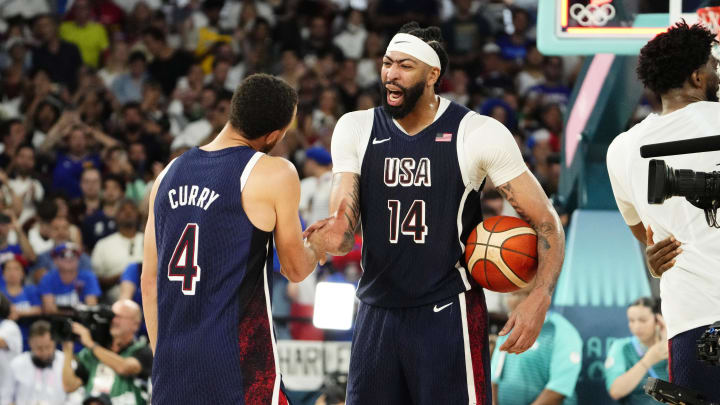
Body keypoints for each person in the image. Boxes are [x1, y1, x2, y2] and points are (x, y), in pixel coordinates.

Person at [303, 22, 565, 404]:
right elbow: (344, 227)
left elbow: (547, 223)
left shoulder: (477, 133)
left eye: (405, 65)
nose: (391, 73)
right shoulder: (355, 127)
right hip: (376, 311)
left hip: (448, 312)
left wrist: (539, 298)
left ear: (433, 75)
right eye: (387, 63)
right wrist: (324, 238)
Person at [141, 73, 335, 404]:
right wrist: (318, 247)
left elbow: (149, 279)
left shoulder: (167, 175)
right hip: (239, 367)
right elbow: (294, 268)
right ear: (273, 135)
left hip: (172, 369)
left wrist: (167, 358)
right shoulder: (275, 173)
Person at [606, 21, 720, 400]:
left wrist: (656, 261)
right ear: (697, 76)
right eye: (714, 67)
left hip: (691, 318)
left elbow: (647, 235)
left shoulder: (623, 148)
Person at [490, 284, 583, 405]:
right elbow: (493, 380)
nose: (509, 300)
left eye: (516, 294)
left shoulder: (561, 331)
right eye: (510, 294)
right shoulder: (508, 329)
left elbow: (557, 392)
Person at [61, 299, 152, 405]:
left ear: (135, 325)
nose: (114, 320)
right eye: (112, 316)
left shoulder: (143, 350)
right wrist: (67, 351)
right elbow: (69, 386)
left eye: (119, 317)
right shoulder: (94, 353)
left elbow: (125, 367)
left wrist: (91, 344)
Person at [605, 297, 669, 404]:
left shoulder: (672, 347)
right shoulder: (622, 347)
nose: (636, 326)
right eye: (631, 320)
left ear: (658, 320)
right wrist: (648, 360)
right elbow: (615, 391)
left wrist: (669, 343)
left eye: (642, 320)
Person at [1, 320, 71, 405]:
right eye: (39, 348)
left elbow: (75, 398)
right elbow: (5, 399)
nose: (45, 352)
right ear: (30, 343)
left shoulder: (66, 362)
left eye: (48, 347)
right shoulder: (16, 364)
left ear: (55, 341)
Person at [38, 243, 101, 314]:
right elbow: (49, 309)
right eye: (63, 255)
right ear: (55, 260)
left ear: (78, 259)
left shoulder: (88, 277)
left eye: (73, 255)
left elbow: (91, 306)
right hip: (55, 321)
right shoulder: (47, 278)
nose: (69, 258)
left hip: (82, 320)